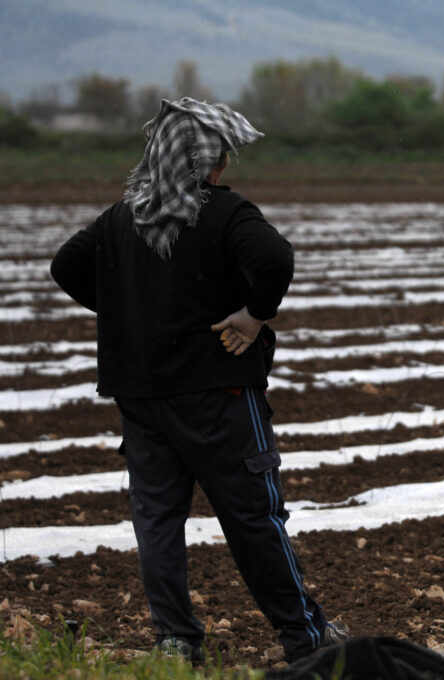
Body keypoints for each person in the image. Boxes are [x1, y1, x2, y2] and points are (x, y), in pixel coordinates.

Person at [49, 97, 348, 665]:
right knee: (254, 517)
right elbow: (275, 259)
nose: (226, 169)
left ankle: (175, 641)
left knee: (157, 520)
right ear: (210, 162)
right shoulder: (225, 214)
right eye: (225, 158)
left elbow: (66, 265)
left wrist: (125, 315)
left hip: (141, 398)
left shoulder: (122, 217)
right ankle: (305, 640)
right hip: (220, 396)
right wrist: (254, 314)